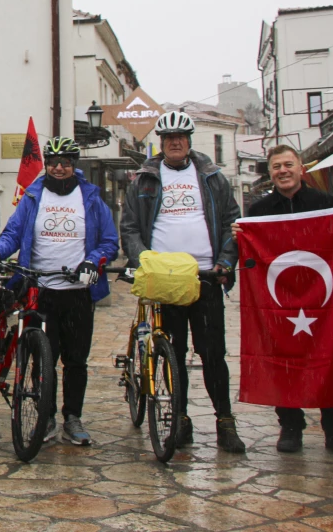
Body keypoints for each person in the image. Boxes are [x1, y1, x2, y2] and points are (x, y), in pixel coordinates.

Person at [0, 137, 117, 446]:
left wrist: (93, 262)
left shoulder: (90, 197)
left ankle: (73, 417)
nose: (59, 167)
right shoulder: (33, 196)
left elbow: (109, 241)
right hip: (41, 289)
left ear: (73, 165)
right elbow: (12, 233)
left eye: (65, 162)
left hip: (78, 291)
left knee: (76, 360)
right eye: (53, 162)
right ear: (47, 166)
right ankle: (46, 416)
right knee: (43, 358)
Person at [121, 110, 246, 453]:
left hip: (205, 277)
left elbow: (232, 222)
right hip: (165, 279)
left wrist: (225, 261)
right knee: (173, 354)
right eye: (168, 138)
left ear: (189, 141)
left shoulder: (212, 177)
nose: (175, 142)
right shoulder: (144, 179)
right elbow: (130, 227)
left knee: (212, 355)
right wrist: (141, 261)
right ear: (160, 143)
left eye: (181, 137)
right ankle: (181, 420)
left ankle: (225, 421)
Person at [231, 144, 333, 457]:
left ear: (301, 168)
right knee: (282, 360)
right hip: (280, 301)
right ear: (271, 172)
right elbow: (251, 257)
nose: (283, 171)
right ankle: (290, 425)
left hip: (323, 300)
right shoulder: (260, 211)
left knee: (330, 357)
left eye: (288, 164)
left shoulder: (326, 204)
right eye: (277, 167)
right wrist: (241, 236)